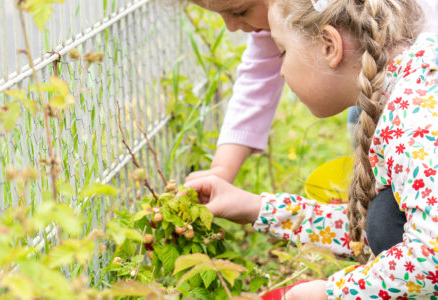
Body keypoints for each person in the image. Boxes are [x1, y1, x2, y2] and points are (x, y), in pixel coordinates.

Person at [185, 0, 438, 298]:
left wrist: (334, 293)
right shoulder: (408, 87)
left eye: (283, 52)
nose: (279, 71)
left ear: (329, 45)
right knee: (383, 215)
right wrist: (257, 208)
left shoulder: (416, 115)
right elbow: (381, 230)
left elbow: (430, 257)